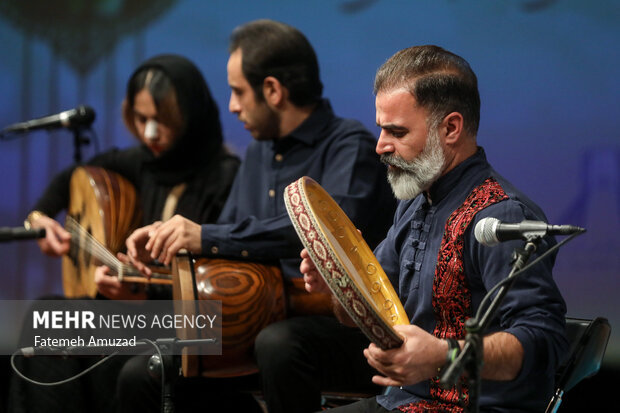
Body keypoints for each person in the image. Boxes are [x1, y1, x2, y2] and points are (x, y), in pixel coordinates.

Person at [120, 19, 397, 413]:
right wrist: (146, 272)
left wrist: (205, 236)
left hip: (342, 328)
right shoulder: (257, 153)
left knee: (279, 344)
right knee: (140, 371)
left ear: (272, 90)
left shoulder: (348, 145)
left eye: (238, 92)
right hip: (249, 322)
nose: (232, 106)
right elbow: (226, 252)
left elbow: (325, 233)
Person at [300, 45, 568, 412]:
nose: (380, 146)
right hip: (404, 403)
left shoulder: (501, 217)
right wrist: (337, 282)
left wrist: (443, 355)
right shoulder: (413, 203)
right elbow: (363, 316)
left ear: (451, 128)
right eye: (381, 129)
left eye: (396, 131)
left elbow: (546, 342)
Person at [9, 54, 240, 413]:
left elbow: (222, 287)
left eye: (162, 121)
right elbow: (71, 176)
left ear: (192, 117)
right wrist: (39, 218)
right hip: (132, 312)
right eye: (141, 119)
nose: (150, 133)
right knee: (47, 317)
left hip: (191, 327)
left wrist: (144, 299)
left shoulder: (226, 177)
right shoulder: (140, 162)